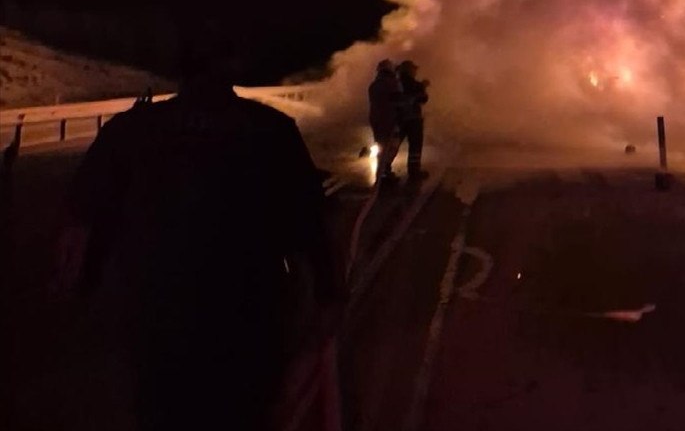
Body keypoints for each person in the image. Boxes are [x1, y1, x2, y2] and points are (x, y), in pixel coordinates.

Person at [55, 38, 341, 431]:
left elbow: (84, 221)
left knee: (163, 413)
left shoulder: (131, 130)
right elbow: (309, 222)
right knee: (244, 413)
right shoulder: (270, 129)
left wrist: (84, 288)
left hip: (157, 317)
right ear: (233, 66)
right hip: (248, 315)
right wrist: (326, 296)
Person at [367, 60, 402, 184]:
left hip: (376, 119)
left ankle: (382, 172)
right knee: (391, 146)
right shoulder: (392, 83)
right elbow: (398, 100)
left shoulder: (374, 85)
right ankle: (384, 172)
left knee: (382, 145)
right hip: (389, 119)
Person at [395, 59, 429, 183]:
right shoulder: (415, 84)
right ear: (409, 70)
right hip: (414, 120)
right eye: (414, 69)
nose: (415, 71)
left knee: (394, 145)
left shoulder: (396, 83)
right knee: (415, 146)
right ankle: (414, 171)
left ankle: (385, 169)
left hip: (399, 119)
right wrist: (423, 87)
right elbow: (424, 99)